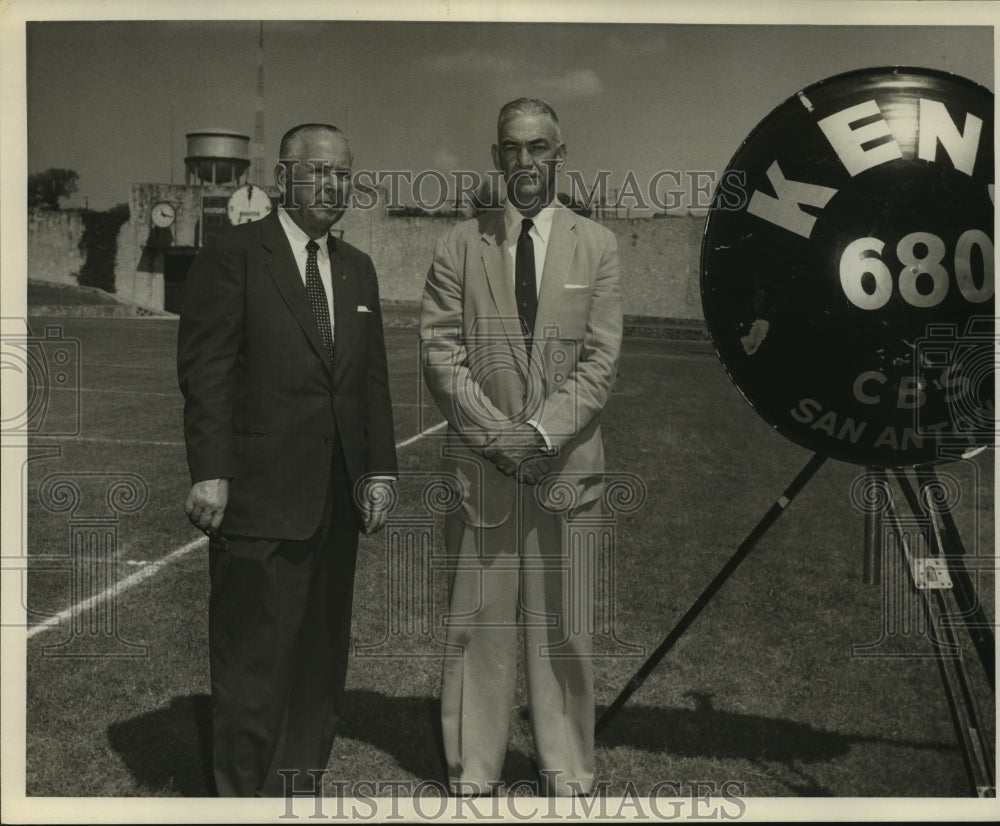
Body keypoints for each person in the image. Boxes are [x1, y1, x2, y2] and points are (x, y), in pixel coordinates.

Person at [177, 123, 397, 797]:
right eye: (318, 171)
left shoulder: (357, 267)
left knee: (318, 664)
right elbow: (206, 369)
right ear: (282, 179)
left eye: (343, 174)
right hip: (258, 498)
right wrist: (210, 470)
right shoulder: (234, 253)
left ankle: (295, 794)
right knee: (254, 664)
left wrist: (380, 468)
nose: (332, 185)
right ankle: (243, 800)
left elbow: (371, 380)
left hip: (336, 501)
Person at [420, 98, 623, 797]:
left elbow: (600, 360)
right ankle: (473, 767)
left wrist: (539, 433)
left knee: (563, 626)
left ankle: (565, 765)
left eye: (539, 147)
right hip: (483, 469)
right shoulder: (458, 245)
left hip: (567, 467)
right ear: (496, 156)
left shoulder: (598, 245)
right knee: (477, 624)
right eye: (513, 147)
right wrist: (498, 436)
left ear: (560, 154)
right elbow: (441, 353)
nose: (526, 160)